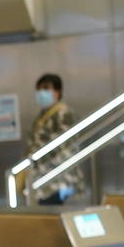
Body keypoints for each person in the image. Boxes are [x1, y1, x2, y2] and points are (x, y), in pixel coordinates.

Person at [28, 73, 82, 205]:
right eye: (39, 89)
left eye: (46, 89)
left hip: (60, 179)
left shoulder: (64, 113)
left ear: (58, 91)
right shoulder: (41, 117)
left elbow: (64, 145)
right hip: (43, 181)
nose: (42, 93)